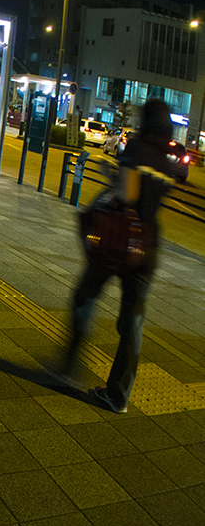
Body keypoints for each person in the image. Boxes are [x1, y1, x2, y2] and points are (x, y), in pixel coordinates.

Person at [53, 99, 177, 413]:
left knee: (84, 296)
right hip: (148, 245)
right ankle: (118, 395)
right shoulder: (166, 156)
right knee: (132, 322)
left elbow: (127, 195)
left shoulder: (135, 149)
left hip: (117, 241)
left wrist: (111, 171)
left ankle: (69, 363)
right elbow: (152, 197)